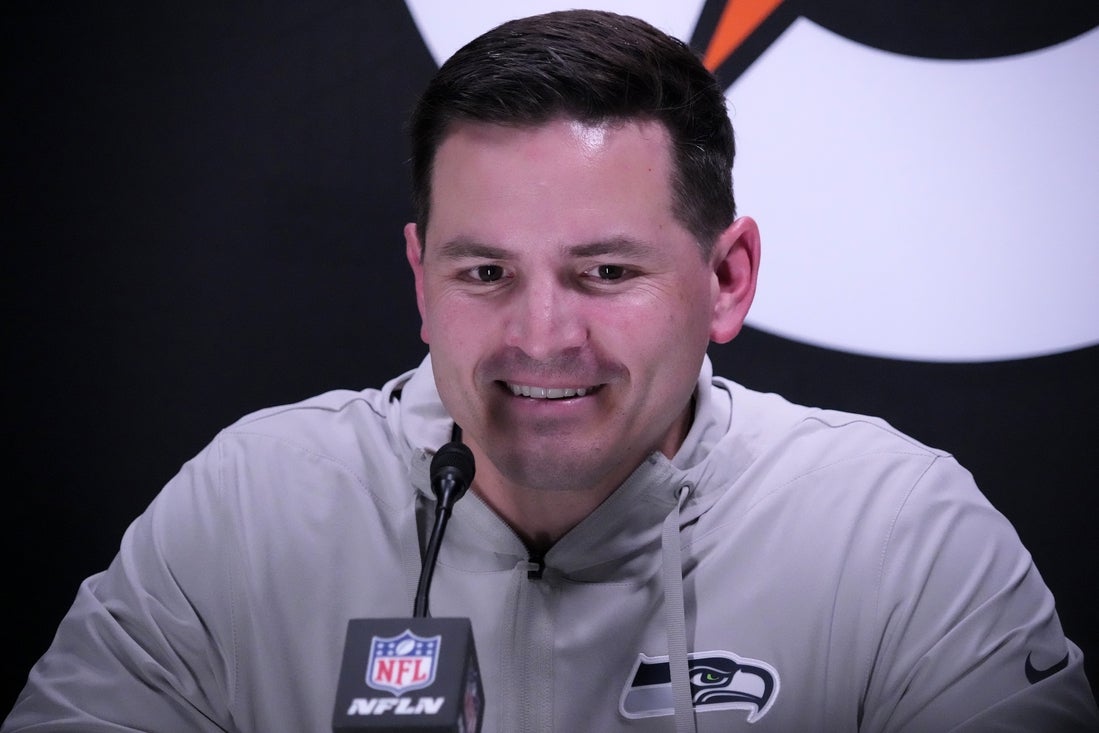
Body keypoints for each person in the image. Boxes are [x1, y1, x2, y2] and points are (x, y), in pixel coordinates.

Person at [4, 9, 1097, 732]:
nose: (539, 334)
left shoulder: (894, 533)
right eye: (483, 271)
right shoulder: (248, 508)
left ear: (727, 277)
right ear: (420, 278)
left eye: (604, 271)